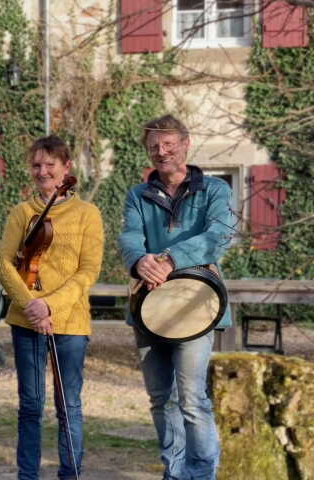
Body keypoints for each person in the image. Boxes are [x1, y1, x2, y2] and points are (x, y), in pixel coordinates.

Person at [119, 114, 234, 480]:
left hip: (196, 307)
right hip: (147, 305)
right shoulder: (138, 195)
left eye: (169, 143)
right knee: (159, 399)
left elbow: (220, 235)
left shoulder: (215, 190)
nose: (161, 151)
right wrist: (140, 261)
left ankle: (201, 474)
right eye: (153, 146)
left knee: (192, 401)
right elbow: (130, 236)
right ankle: (175, 470)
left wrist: (170, 259)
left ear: (186, 143)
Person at [0, 135, 104, 480]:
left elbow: (89, 270)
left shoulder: (87, 214)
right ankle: (28, 476)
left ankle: (70, 474)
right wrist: (31, 306)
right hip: (26, 320)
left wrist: (50, 306)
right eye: (36, 165)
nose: (42, 171)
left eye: (49, 165)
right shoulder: (22, 212)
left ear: (66, 168)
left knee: (68, 406)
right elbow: (3, 263)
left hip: (70, 322)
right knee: (30, 406)